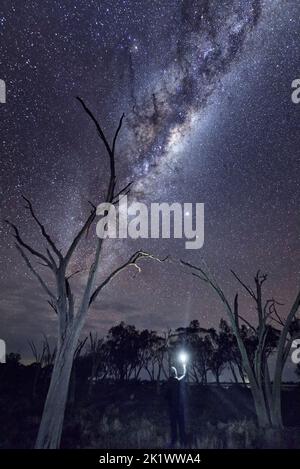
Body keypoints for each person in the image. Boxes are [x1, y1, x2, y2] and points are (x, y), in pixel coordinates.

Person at [166, 364, 186, 447]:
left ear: (170, 373)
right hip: (179, 408)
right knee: (181, 425)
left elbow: (166, 396)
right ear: (175, 373)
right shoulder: (177, 380)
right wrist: (184, 366)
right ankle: (182, 442)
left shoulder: (168, 382)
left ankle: (174, 441)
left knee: (173, 425)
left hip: (172, 408)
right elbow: (184, 375)